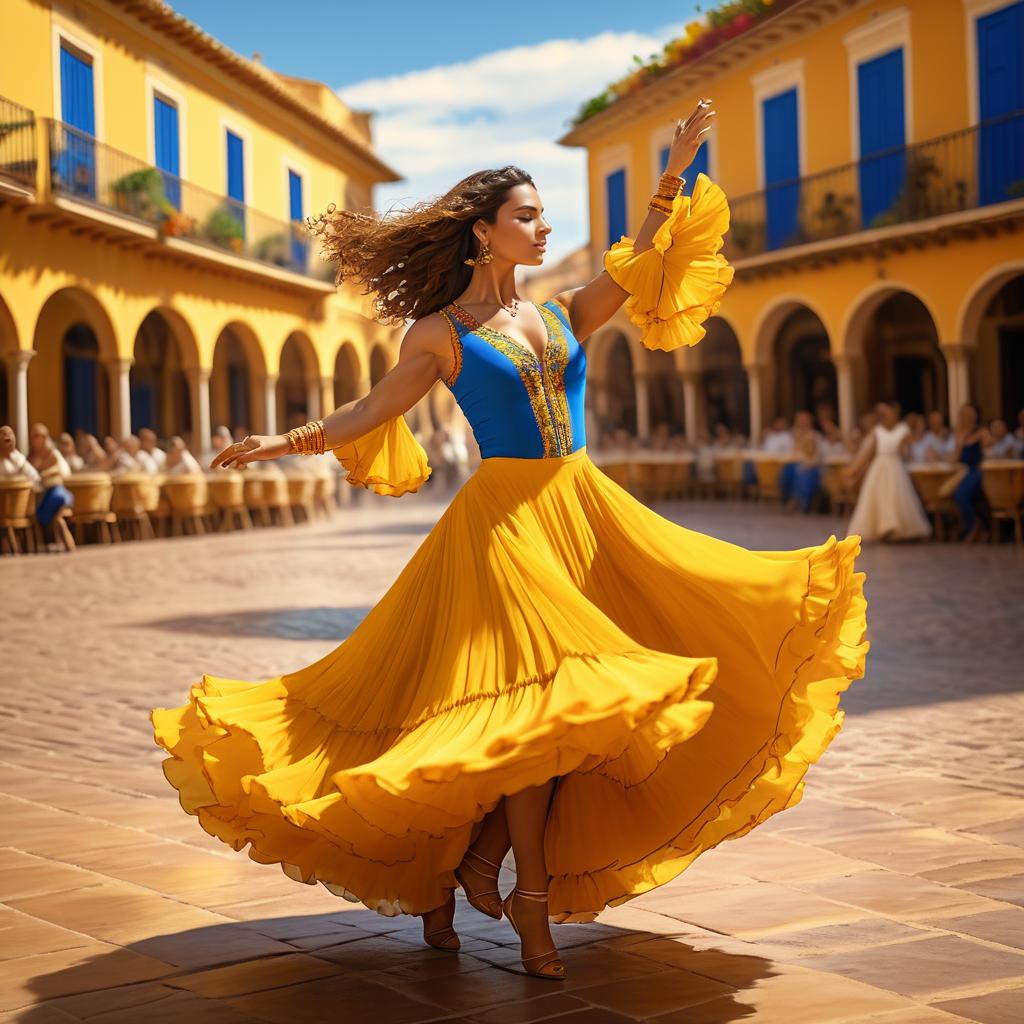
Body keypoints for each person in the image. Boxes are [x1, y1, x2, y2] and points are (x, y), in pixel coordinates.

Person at [150, 101, 867, 983]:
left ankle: (479, 860)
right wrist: (285, 441)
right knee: (542, 714)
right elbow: (374, 412)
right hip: (503, 532)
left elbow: (639, 266)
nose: (544, 227)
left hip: (585, 515)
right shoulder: (438, 335)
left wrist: (674, 173)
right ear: (483, 234)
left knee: (579, 711)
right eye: (527, 216)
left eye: (542, 215)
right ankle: (528, 902)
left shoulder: (564, 313)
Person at [843, 401, 930, 542]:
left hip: (896, 467)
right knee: (880, 497)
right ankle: (883, 528)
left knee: (896, 497)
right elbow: (868, 453)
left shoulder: (903, 429)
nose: (884, 416)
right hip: (879, 468)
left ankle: (897, 529)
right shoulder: (876, 431)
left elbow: (908, 452)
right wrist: (854, 470)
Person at [26, 423, 75, 539]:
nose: (37, 439)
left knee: (58, 497)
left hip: (54, 490)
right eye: (34, 436)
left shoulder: (52, 453)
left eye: (40, 436)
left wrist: (46, 473)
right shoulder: (31, 456)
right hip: (37, 493)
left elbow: (63, 470)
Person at [952, 403, 990, 542]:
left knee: (961, 495)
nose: (965, 417)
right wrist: (960, 442)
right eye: (963, 414)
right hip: (963, 472)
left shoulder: (982, 432)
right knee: (958, 495)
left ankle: (974, 526)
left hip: (977, 471)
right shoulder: (958, 433)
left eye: (969, 414)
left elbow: (989, 454)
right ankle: (976, 526)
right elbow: (955, 458)